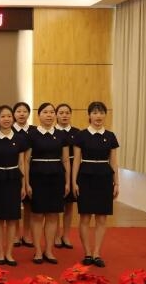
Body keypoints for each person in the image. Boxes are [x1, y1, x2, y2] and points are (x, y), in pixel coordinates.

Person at [72, 101, 120, 268]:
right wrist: (74, 182)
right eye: (94, 113)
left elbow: (113, 161)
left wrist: (116, 183)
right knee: (85, 217)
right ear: (89, 115)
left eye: (101, 113)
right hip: (85, 177)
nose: (98, 116)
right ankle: (87, 253)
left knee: (101, 217)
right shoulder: (81, 135)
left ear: (105, 115)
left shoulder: (111, 136)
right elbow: (76, 161)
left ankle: (97, 253)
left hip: (105, 178)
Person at [24, 102, 70, 264]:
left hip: (57, 177)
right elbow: (26, 161)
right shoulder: (32, 134)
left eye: (51, 112)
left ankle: (49, 250)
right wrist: (27, 183)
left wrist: (67, 182)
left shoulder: (61, 135)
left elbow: (66, 160)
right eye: (45, 112)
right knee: (37, 215)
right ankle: (37, 251)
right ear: (39, 115)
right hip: (37, 178)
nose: (49, 115)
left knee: (52, 215)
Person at [0, 105, 28, 266]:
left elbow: (22, 163)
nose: (6, 119)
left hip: (14, 180)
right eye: (3, 116)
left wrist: (24, 185)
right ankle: (1, 253)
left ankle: (9, 253)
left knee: (12, 219)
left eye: (9, 116)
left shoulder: (20, 138)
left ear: (13, 118)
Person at [53, 103, 81, 249]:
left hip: (73, 167)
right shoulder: (52, 131)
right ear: (56, 115)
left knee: (69, 205)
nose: (64, 115)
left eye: (67, 113)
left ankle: (66, 235)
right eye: (61, 113)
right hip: (56, 168)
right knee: (56, 205)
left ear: (70, 114)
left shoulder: (77, 132)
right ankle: (56, 235)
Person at [12, 101, 37, 248]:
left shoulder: (34, 130)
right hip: (13, 171)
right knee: (15, 204)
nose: (21, 114)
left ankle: (26, 234)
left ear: (29, 114)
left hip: (33, 170)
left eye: (24, 111)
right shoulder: (9, 129)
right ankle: (15, 234)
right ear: (14, 114)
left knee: (29, 205)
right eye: (18, 111)